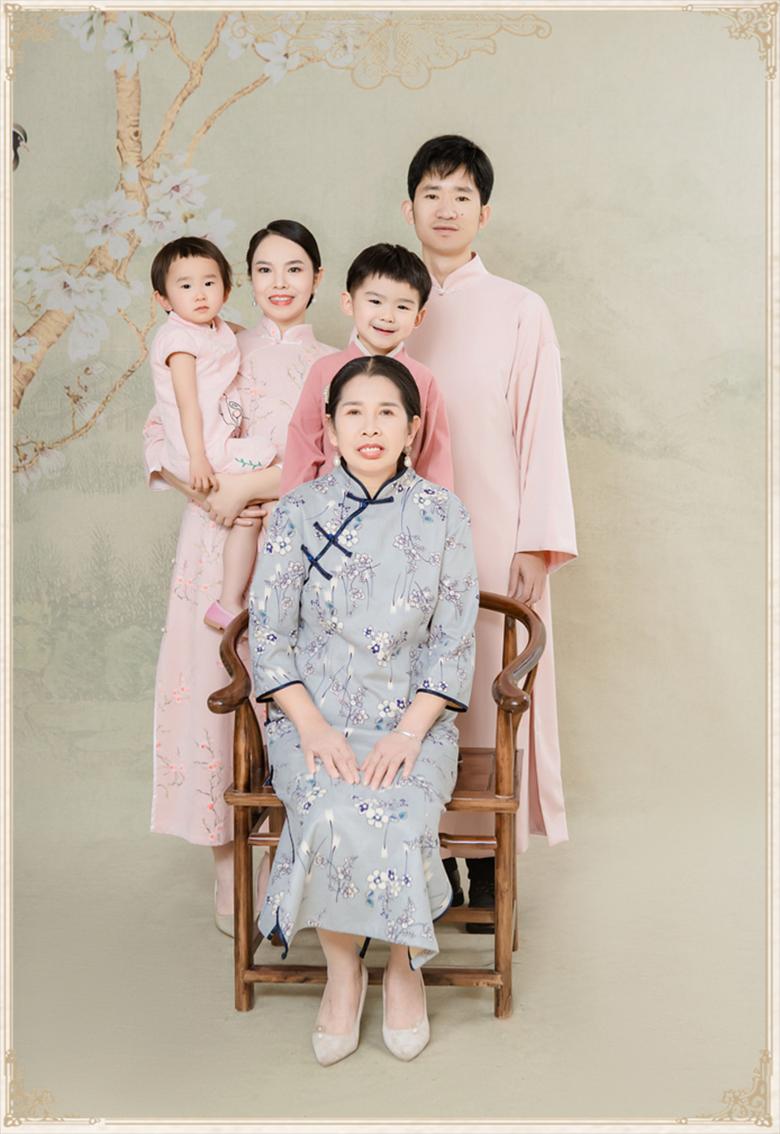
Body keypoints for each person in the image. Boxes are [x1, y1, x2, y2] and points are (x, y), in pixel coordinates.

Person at [250, 355, 478, 1065]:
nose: (370, 427)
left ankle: (405, 965)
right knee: (325, 809)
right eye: (353, 412)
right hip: (312, 718)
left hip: (416, 723)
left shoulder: (444, 514)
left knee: (402, 814)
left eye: (387, 413)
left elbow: (454, 640)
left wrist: (409, 733)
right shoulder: (295, 512)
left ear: (414, 428)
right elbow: (268, 634)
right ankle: (344, 971)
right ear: (330, 426)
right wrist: (312, 726)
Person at [401, 134, 577, 927]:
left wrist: (536, 541)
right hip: (401, 538)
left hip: (494, 526)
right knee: (409, 683)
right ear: (409, 208)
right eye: (431, 194)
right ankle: (421, 852)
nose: (446, 209)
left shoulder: (518, 308)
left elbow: (542, 431)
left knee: (486, 685)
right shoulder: (391, 301)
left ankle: (486, 857)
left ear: (484, 213)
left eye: (461, 196)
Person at [143, 221, 336, 934]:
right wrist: (208, 494)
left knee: (293, 703)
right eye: (265, 269)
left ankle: (292, 872)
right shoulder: (216, 342)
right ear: (246, 281)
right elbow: (160, 433)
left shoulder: (335, 363)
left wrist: (251, 485)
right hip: (214, 539)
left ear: (318, 279)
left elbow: (337, 461)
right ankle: (229, 875)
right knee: (216, 701)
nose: (280, 283)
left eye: (295, 268)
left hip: (301, 546)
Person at [147, 236, 278, 632]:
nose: (200, 294)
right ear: (163, 299)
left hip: (210, 446)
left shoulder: (214, 327)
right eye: (185, 286)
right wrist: (199, 458)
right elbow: (187, 404)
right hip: (199, 449)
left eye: (209, 283)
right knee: (268, 457)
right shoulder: (178, 341)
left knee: (247, 517)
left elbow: (233, 335)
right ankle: (230, 601)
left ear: (226, 289)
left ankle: (229, 601)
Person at [280, 242, 454, 493]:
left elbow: (435, 457)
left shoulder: (423, 379)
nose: (387, 316)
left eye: (402, 306)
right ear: (348, 303)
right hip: (329, 507)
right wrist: (293, 508)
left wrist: (438, 511)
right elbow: (303, 446)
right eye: (375, 301)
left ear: (418, 317)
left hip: (402, 509)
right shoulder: (324, 370)